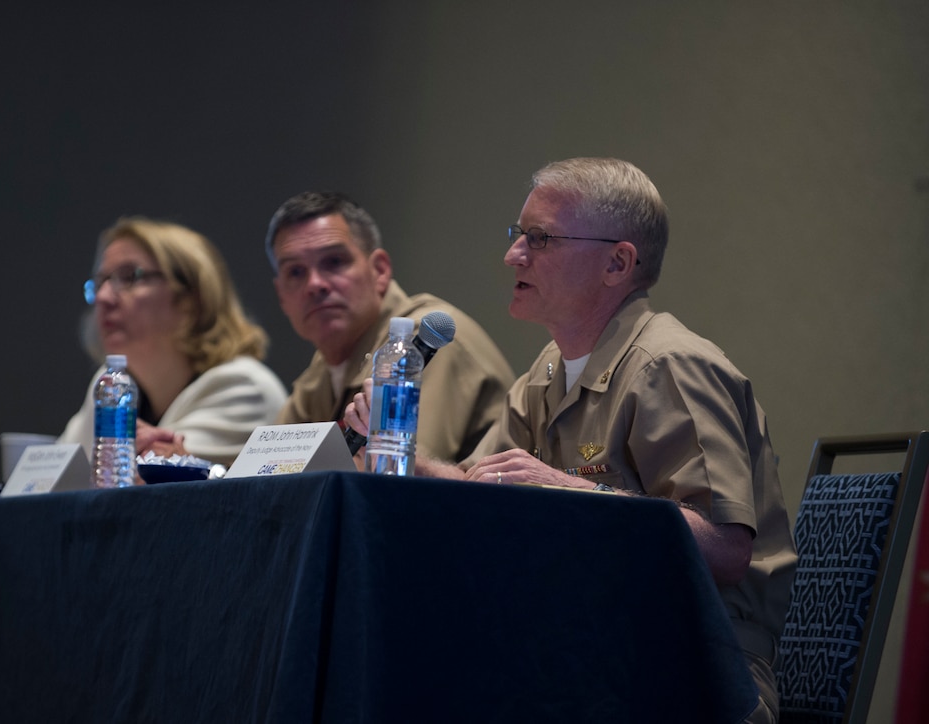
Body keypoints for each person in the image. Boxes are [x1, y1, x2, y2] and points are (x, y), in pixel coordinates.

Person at [346, 158, 796, 723]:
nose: (514, 255)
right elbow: (478, 488)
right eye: (519, 236)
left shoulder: (669, 366)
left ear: (617, 262)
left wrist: (568, 492)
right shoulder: (548, 371)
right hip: (587, 647)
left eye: (541, 239)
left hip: (694, 665)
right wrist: (401, 455)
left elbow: (727, 550)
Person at [265, 191, 515, 464]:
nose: (315, 284)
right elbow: (268, 468)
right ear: (281, 296)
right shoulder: (325, 366)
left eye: (334, 262)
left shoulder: (426, 340)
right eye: (296, 272)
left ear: (380, 270)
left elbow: (395, 475)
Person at [60, 217, 287, 467]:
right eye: (101, 282)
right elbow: (53, 480)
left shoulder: (244, 390)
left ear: (191, 299)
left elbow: (140, 482)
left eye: (129, 277)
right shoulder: (110, 386)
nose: (103, 297)